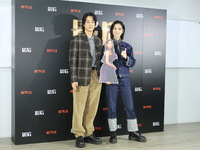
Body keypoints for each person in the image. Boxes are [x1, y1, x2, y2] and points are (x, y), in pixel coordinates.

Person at [106, 20, 147, 143]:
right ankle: (113, 133)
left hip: (124, 79)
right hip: (111, 79)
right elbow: (102, 63)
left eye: (119, 28)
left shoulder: (128, 46)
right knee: (111, 107)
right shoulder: (106, 45)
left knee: (129, 106)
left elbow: (133, 62)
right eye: (114, 28)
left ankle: (133, 132)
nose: (117, 31)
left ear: (122, 31)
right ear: (112, 30)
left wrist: (125, 57)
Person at [69, 12, 103, 148]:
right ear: (84, 24)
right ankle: (79, 134)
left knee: (92, 106)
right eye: (87, 21)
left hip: (96, 75)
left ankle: (89, 132)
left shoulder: (98, 40)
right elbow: (72, 61)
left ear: (95, 24)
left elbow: (101, 60)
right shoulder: (76, 39)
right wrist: (73, 79)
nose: (90, 24)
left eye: (92, 21)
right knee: (79, 106)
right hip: (81, 75)